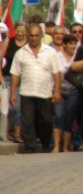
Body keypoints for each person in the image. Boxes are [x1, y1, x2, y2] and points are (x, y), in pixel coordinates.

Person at [10, 24, 63, 153]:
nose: (33, 38)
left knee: (45, 121)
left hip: (45, 93)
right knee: (27, 121)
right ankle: (30, 146)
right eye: (31, 35)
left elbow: (57, 73)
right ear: (28, 36)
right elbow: (15, 74)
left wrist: (56, 91)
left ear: (41, 36)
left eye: (36, 36)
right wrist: (13, 93)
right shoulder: (20, 53)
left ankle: (45, 143)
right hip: (27, 92)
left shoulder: (50, 52)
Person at [52, 32, 81, 153]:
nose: (73, 46)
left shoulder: (78, 57)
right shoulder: (57, 56)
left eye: (75, 43)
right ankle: (56, 146)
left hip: (73, 91)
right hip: (59, 90)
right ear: (64, 45)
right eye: (70, 43)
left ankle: (66, 146)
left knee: (69, 118)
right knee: (58, 116)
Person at [2, 21, 27, 144]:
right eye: (18, 31)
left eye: (23, 31)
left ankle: (17, 134)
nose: (20, 33)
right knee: (7, 107)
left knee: (17, 106)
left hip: (22, 79)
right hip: (7, 76)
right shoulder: (9, 42)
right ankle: (6, 132)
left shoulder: (28, 44)